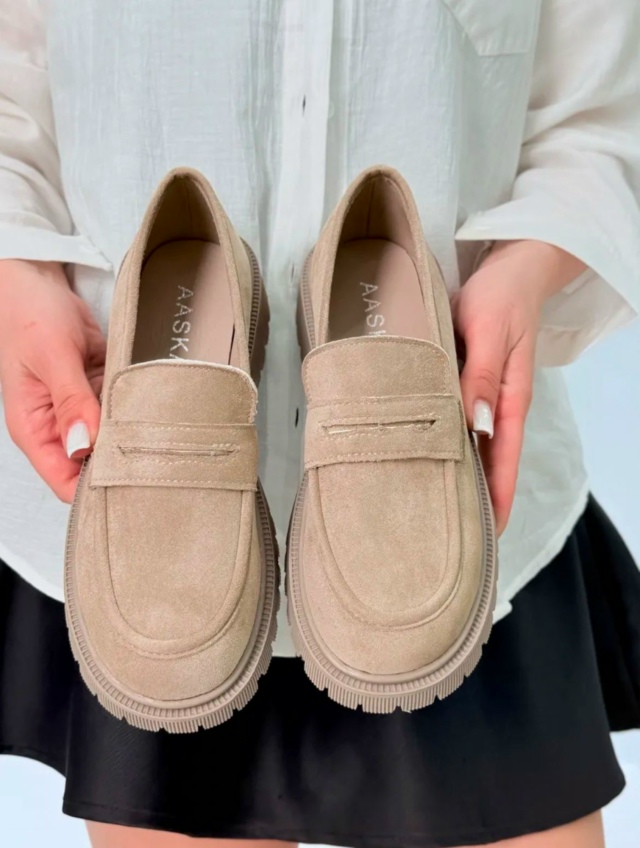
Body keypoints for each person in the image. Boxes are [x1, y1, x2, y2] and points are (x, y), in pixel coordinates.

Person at [1, 1, 639, 846]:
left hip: (453, 467)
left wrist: (527, 269)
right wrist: (13, 271)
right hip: (140, 514)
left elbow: (604, 109)